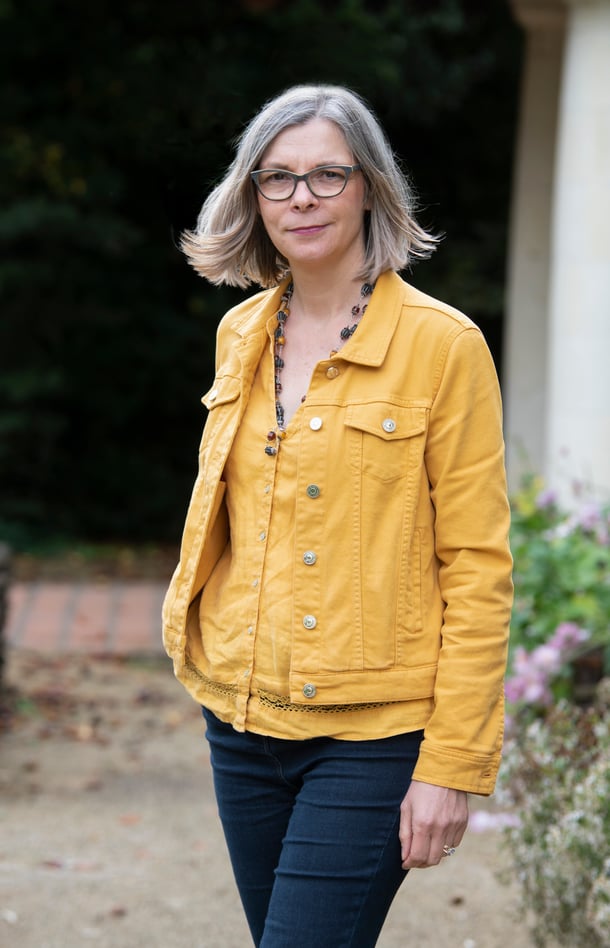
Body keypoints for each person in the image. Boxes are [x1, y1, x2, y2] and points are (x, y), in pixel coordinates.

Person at [162, 83, 513, 948]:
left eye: (327, 174)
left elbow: (479, 565)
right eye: (277, 179)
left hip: (372, 737)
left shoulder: (443, 346)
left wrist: (453, 765)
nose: (302, 198)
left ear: (369, 187)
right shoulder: (241, 332)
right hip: (241, 726)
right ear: (252, 195)